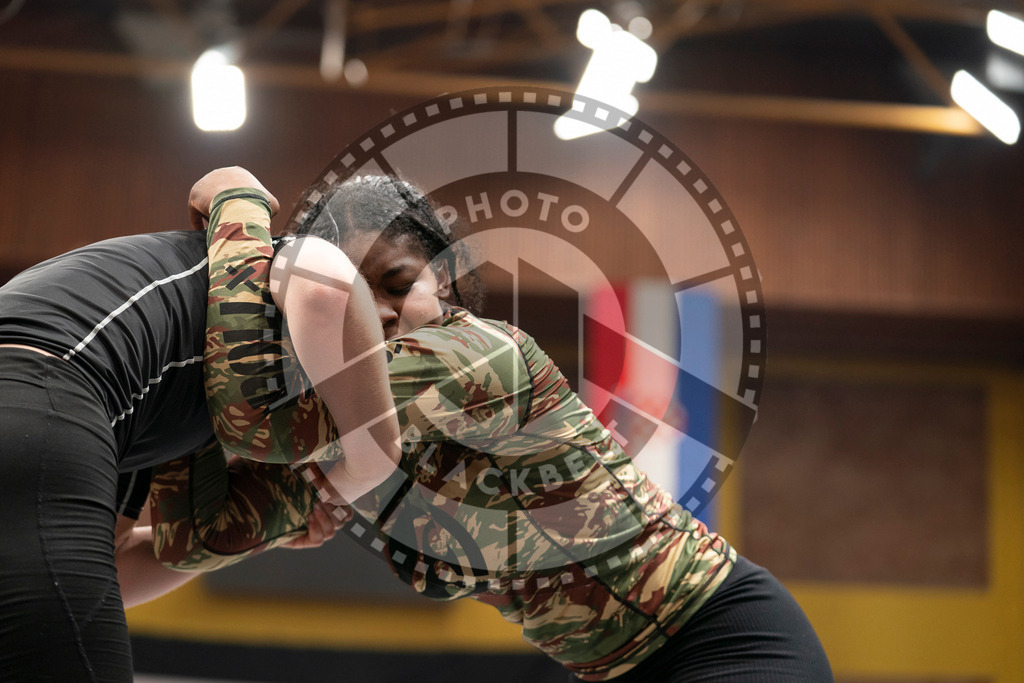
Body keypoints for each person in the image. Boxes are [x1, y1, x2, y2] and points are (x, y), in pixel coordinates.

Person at [150, 168, 834, 682]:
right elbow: (199, 535)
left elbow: (248, 418)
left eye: (395, 284)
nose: (379, 313)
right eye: (355, 296)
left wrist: (238, 210)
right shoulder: (348, 432)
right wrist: (182, 426)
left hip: (721, 637)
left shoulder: (481, 357)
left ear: (442, 280)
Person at [0, 168, 400, 681]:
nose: (393, 324)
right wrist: (369, 461)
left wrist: (273, 527)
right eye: (396, 289)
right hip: (41, 387)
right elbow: (325, 290)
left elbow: (110, 566)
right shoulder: (289, 259)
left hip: (48, 409)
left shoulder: (167, 380)